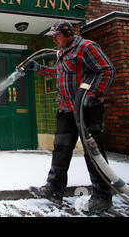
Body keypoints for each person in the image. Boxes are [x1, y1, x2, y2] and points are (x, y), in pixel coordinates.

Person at [24, 20, 116, 214]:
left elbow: (107, 70)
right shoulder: (62, 53)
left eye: (57, 35)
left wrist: (92, 95)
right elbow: (59, 74)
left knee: (93, 152)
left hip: (87, 110)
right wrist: (38, 68)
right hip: (66, 110)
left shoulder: (86, 47)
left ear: (67, 33)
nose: (55, 39)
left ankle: (103, 196)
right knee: (61, 150)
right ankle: (54, 189)